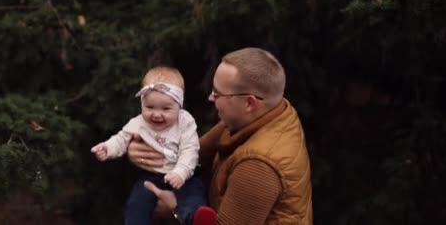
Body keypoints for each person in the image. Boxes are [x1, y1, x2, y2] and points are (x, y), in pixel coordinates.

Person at [128, 48, 313, 224]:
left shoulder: (258, 167)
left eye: (218, 93)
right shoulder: (269, 112)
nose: (210, 97)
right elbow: (193, 155)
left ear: (249, 103)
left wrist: (176, 209)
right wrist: (140, 152)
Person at [90, 66, 215, 225]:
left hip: (183, 175)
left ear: (179, 105)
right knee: (137, 203)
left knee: (193, 195)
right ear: (142, 103)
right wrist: (107, 148)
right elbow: (121, 139)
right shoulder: (138, 122)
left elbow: (190, 150)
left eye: (166, 109)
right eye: (150, 107)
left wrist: (180, 173)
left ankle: (195, 218)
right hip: (152, 176)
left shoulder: (185, 122)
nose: (156, 114)